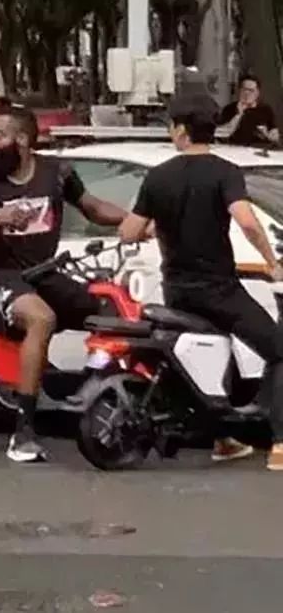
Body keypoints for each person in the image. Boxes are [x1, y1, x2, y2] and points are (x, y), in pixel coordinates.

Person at [0, 106, 128, 463]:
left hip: (43, 273)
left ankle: (97, 398)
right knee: (41, 318)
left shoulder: (56, 173)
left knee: (109, 311)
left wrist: (136, 221)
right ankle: (23, 433)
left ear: (21, 140)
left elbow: (93, 207)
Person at [119, 92, 283, 472]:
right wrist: (272, 262)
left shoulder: (158, 176)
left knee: (210, 356)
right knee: (278, 350)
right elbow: (245, 220)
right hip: (219, 290)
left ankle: (223, 440)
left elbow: (129, 231)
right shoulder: (225, 172)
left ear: (180, 130)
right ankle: (279, 442)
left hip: (177, 291)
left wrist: (155, 228)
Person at [219, 75, 279, 146]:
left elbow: (275, 135)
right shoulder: (229, 109)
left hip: (259, 148)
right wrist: (238, 115)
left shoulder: (266, 110)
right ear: (239, 91)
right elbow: (221, 134)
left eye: (251, 90)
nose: (247, 93)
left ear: (257, 93)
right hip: (235, 148)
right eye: (244, 89)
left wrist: (268, 135)